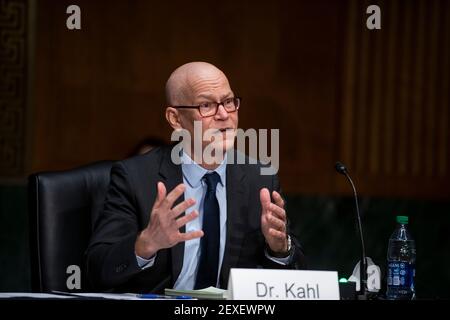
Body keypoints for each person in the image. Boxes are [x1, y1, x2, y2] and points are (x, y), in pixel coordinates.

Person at [86, 62, 307, 293]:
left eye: (229, 102)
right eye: (206, 105)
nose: (224, 115)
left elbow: (297, 277)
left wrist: (279, 249)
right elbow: (96, 270)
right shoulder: (135, 177)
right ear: (175, 118)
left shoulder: (259, 178)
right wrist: (146, 244)